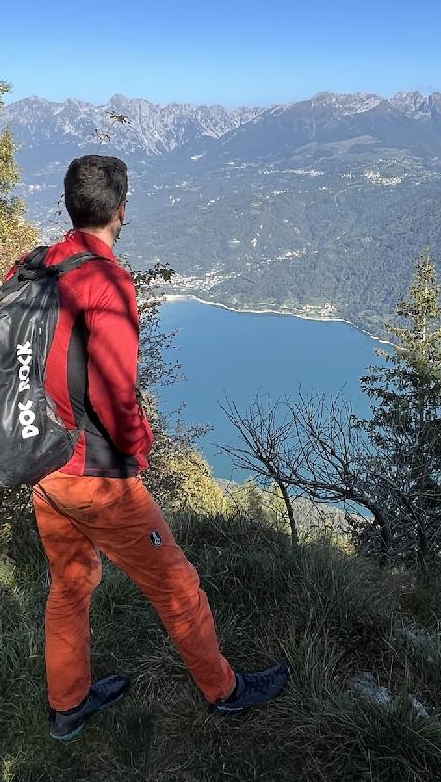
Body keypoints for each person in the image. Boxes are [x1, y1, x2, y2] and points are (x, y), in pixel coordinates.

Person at [27, 154, 288, 741]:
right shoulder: (105, 281)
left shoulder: (39, 264)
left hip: (40, 461)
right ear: (122, 209)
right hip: (94, 474)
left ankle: (67, 705)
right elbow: (114, 391)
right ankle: (224, 692)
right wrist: (138, 450)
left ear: (71, 205)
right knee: (177, 584)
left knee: (70, 583)